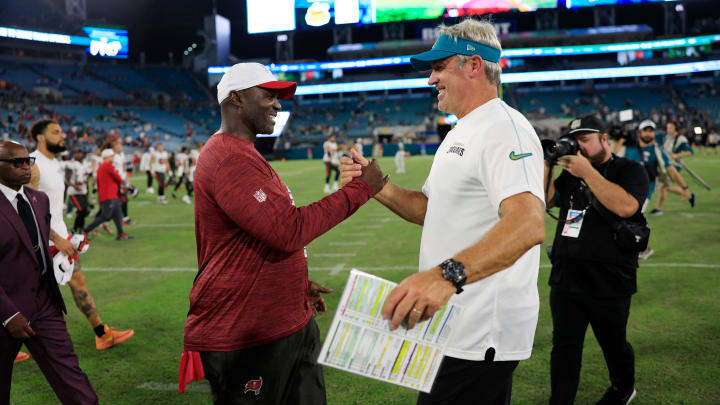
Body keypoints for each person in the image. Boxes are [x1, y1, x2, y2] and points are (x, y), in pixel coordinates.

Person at [341, 19, 545, 405]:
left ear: (473, 65)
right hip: (449, 323)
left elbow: (528, 222)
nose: (430, 79)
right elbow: (433, 210)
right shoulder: (461, 131)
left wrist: (446, 276)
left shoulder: (504, 129)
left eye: (438, 67)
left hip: (479, 332)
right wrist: (378, 186)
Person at [181, 62, 387, 404]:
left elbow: (259, 235)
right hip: (248, 334)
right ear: (236, 99)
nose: (278, 104)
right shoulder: (229, 159)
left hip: (282, 322)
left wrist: (296, 286)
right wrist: (361, 190)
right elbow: (288, 231)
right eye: (268, 95)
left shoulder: (242, 153)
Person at [543, 115, 649, 405]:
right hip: (567, 273)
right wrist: (547, 165)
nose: (580, 146)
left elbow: (627, 207)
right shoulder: (571, 173)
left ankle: (623, 389)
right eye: (575, 140)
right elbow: (546, 200)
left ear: (604, 139)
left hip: (610, 276)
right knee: (564, 347)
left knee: (613, 343)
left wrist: (588, 172)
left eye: (585, 139)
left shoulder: (630, 169)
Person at [0, 140, 98, 404]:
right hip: (6, 310)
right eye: (16, 162)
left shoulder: (38, 200)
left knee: (73, 380)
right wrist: (8, 315)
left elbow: (39, 242)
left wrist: (68, 244)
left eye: (27, 161)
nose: (25, 167)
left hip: (44, 303)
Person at [27, 119, 135, 350]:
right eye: (55, 132)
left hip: (58, 238)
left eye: (61, 131)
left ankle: (101, 334)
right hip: (40, 243)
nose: (62, 135)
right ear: (40, 137)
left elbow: (51, 208)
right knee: (25, 296)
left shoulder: (54, 163)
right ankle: (9, 346)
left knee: (79, 283)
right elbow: (27, 210)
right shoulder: (34, 166)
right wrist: (57, 239)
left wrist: (64, 236)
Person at [623, 120, 691, 260]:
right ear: (639, 133)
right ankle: (639, 246)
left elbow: (671, 171)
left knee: (633, 217)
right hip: (624, 190)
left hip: (643, 192)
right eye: (645, 130)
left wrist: (684, 187)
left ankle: (643, 248)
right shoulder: (628, 148)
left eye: (651, 131)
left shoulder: (657, 152)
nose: (648, 134)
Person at [83, 149, 131, 241]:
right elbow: (117, 177)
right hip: (108, 196)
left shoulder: (102, 166)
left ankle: (121, 234)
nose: (113, 157)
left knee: (118, 215)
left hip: (111, 195)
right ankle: (85, 231)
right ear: (107, 157)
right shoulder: (107, 165)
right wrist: (127, 185)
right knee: (105, 216)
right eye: (112, 156)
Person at [650, 121, 695, 215]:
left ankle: (658, 209)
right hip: (666, 165)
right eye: (667, 127)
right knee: (667, 187)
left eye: (670, 127)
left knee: (663, 187)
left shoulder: (680, 139)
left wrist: (676, 155)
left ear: (675, 128)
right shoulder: (667, 137)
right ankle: (689, 195)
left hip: (675, 166)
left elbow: (690, 151)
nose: (668, 129)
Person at [112, 140, 135, 225]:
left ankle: (124, 219)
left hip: (122, 181)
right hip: (117, 182)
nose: (121, 148)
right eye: (119, 146)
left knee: (122, 200)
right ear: (114, 148)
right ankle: (124, 219)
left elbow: (124, 170)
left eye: (121, 146)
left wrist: (127, 181)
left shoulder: (122, 155)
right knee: (120, 201)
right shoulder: (113, 157)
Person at [66, 150, 90, 234]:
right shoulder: (71, 164)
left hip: (83, 191)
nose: (79, 154)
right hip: (74, 193)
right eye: (77, 153)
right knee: (82, 210)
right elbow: (67, 178)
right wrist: (73, 185)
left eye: (80, 152)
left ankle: (77, 229)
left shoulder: (85, 163)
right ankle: (79, 229)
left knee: (85, 211)